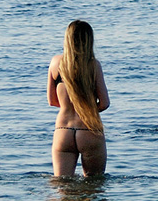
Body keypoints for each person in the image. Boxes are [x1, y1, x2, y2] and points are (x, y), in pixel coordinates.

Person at [47, 20, 110, 176]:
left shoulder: (55, 63)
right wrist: (87, 110)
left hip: (63, 131)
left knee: (62, 187)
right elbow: (104, 103)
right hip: (88, 129)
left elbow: (52, 101)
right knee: (94, 186)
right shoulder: (94, 65)